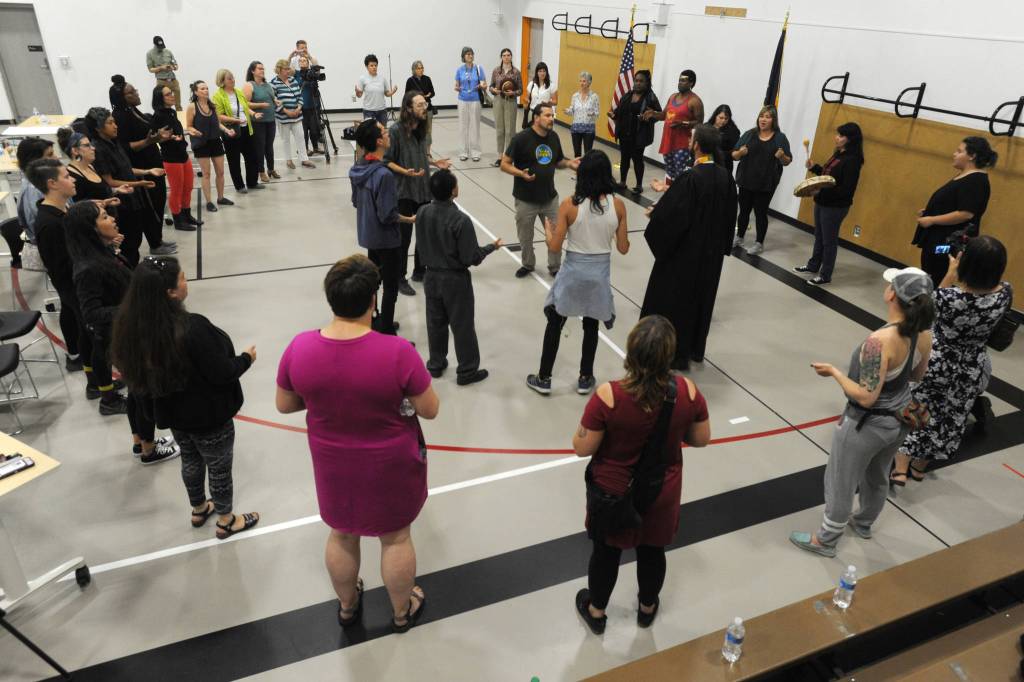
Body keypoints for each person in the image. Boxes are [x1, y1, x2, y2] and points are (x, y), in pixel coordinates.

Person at [276, 254, 439, 633]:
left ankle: (348, 606)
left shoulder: (300, 348)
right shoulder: (398, 352)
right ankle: (401, 612)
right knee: (396, 537)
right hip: (390, 462)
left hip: (332, 462)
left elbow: (285, 403)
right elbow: (429, 409)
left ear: (331, 299)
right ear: (373, 301)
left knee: (342, 532)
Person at [572, 315, 710, 634]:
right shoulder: (687, 393)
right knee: (652, 550)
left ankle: (597, 611)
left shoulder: (609, 396)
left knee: (606, 552)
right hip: (661, 489)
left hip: (614, 492)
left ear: (631, 353)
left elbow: (582, 447)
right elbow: (701, 438)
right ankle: (647, 608)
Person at [111, 257, 260, 539]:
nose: (185, 280)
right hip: (209, 416)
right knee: (219, 467)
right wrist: (245, 359)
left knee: (190, 461)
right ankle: (227, 519)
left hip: (176, 418)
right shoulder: (192, 328)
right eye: (181, 277)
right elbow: (221, 372)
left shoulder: (133, 330)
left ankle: (199, 507)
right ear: (170, 292)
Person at [791, 267, 934, 557]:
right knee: (878, 472)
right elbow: (917, 376)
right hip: (899, 420)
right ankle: (865, 521)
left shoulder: (878, 343)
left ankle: (826, 540)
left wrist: (833, 372)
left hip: (866, 424)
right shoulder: (923, 335)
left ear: (893, 294)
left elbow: (866, 397)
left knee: (841, 479)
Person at [65, 201, 181, 464]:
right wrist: (135, 308)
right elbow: (91, 314)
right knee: (143, 395)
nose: (113, 219)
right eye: (105, 217)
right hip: (125, 339)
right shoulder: (88, 268)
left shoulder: (103, 253)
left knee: (135, 393)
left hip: (130, 333)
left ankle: (140, 442)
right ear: (90, 230)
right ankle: (150, 449)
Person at [892, 237, 1012, 483]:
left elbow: (930, 305)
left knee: (919, 407)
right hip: (970, 365)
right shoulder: (1004, 294)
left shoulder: (950, 297)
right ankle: (919, 467)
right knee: (950, 415)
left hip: (937, 361)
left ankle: (900, 467)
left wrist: (951, 272)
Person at [526, 150, 629, 396]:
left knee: (555, 320)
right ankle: (585, 378)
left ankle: (544, 377)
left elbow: (554, 247)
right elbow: (623, 248)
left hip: (573, 272)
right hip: (599, 275)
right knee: (591, 325)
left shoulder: (569, 205)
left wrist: (549, 231)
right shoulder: (618, 205)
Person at [640, 125, 738, 371]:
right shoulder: (725, 176)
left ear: (696, 145)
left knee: (674, 301)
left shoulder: (692, 177)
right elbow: (729, 216)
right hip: (711, 255)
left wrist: (657, 215)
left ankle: (672, 354)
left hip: (685, 254)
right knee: (701, 300)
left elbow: (675, 216)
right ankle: (694, 348)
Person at [416, 170, 501, 385]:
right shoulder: (460, 220)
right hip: (454, 280)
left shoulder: (422, 212)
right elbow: (470, 258)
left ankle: (436, 363)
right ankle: (467, 370)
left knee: (435, 323)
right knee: (462, 325)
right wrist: (491, 247)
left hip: (431, 277)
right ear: (453, 190)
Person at [349, 120, 417, 335]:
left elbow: (355, 201)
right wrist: (410, 219)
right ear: (378, 141)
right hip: (386, 239)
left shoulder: (357, 168)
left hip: (368, 235)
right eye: (385, 132)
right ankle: (386, 329)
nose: (389, 134)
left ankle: (373, 319)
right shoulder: (384, 175)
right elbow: (388, 215)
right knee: (390, 285)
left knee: (373, 280)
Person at [85, 106, 174, 264]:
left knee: (135, 240)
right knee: (128, 245)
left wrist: (147, 171)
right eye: (110, 123)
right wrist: (139, 183)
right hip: (121, 205)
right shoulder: (99, 149)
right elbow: (110, 181)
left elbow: (126, 168)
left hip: (133, 200)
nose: (115, 125)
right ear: (99, 128)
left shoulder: (114, 142)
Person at [501, 103, 581, 278]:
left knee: (555, 235)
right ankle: (528, 264)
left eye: (552, 116)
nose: (551, 119)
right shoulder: (520, 139)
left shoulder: (553, 137)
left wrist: (568, 163)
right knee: (525, 237)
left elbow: (557, 161)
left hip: (549, 198)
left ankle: (555, 267)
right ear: (536, 118)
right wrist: (520, 174)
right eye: (547, 115)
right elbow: (504, 164)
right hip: (525, 200)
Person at [384, 92, 451, 296]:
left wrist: (433, 162)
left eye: (426, 104)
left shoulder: (423, 129)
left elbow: (421, 155)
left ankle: (420, 271)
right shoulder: (395, 131)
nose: (425, 107)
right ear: (409, 108)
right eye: (421, 105)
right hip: (404, 191)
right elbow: (386, 160)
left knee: (424, 234)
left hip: (423, 189)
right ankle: (399, 277)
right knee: (403, 239)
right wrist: (405, 172)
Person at [26, 159, 87, 372]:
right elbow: (66, 265)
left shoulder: (60, 211)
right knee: (88, 333)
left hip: (76, 285)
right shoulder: (50, 224)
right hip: (75, 286)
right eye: (67, 176)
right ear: (52, 183)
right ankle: (98, 381)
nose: (73, 179)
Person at [912, 136, 996, 287]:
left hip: (947, 242)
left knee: (938, 272)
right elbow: (954, 204)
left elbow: (966, 213)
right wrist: (931, 210)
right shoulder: (965, 176)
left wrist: (932, 219)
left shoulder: (976, 180)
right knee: (931, 269)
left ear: (972, 155)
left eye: (959, 151)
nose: (954, 154)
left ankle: (935, 306)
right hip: (938, 237)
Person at [794, 122, 864, 285]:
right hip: (823, 202)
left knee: (829, 241)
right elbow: (828, 178)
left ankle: (825, 275)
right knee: (819, 236)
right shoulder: (838, 154)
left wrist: (820, 191)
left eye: (841, 135)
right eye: (837, 134)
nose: (836, 138)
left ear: (850, 139)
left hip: (835, 206)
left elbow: (846, 189)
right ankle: (813, 266)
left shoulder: (852, 161)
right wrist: (815, 167)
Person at [109, 76, 173, 248]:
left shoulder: (133, 110)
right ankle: (155, 242)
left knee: (159, 202)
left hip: (152, 161)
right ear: (122, 97)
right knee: (150, 206)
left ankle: (157, 239)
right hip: (141, 166)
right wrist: (149, 141)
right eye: (131, 92)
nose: (136, 94)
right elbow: (126, 146)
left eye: (135, 90)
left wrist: (158, 136)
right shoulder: (120, 116)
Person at [732, 105, 792, 255]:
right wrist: (740, 152)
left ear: (773, 120)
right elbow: (734, 155)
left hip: (766, 183)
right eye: (761, 116)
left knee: (760, 212)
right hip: (746, 179)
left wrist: (782, 156)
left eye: (767, 117)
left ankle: (759, 243)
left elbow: (787, 161)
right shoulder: (749, 134)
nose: (763, 119)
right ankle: (739, 237)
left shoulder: (780, 137)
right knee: (744, 211)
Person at [151, 84, 199, 231]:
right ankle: (178, 219)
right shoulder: (158, 116)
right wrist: (170, 138)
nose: (172, 95)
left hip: (182, 154)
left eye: (171, 93)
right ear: (160, 98)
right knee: (177, 189)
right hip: (171, 157)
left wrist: (183, 134)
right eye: (167, 94)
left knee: (188, 186)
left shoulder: (171, 112)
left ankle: (186, 214)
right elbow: (156, 137)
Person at [644, 69, 703, 182]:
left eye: (684, 80)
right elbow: (664, 115)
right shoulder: (672, 97)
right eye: (679, 80)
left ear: (691, 83)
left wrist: (683, 123)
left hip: (682, 144)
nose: (680, 82)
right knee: (669, 171)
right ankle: (670, 194)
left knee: (680, 173)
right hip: (668, 141)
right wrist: (654, 114)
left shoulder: (695, 101)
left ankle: (680, 196)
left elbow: (699, 122)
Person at [608, 70, 661, 194]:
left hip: (639, 135)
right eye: (636, 80)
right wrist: (614, 115)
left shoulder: (650, 97)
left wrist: (648, 118)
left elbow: (659, 115)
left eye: (641, 81)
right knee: (624, 158)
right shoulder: (627, 95)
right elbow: (619, 110)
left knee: (637, 160)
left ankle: (639, 185)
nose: (638, 83)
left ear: (647, 83)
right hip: (624, 133)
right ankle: (622, 182)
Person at [185, 80, 232, 213]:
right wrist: (194, 131)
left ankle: (221, 197)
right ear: (195, 92)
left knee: (221, 172)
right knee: (206, 174)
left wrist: (227, 130)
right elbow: (188, 126)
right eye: (202, 89)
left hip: (215, 141)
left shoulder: (212, 106)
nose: (205, 91)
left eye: (206, 88)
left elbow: (218, 123)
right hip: (201, 143)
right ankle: (209, 201)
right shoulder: (192, 107)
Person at [212, 69, 261, 193]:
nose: (233, 80)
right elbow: (218, 115)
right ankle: (239, 186)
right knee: (234, 160)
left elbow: (245, 107)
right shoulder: (218, 96)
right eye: (229, 78)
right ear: (222, 81)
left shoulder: (238, 92)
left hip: (246, 129)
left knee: (252, 157)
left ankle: (252, 182)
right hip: (231, 131)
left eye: (233, 77)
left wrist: (254, 114)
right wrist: (234, 120)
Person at [271, 60, 314, 170]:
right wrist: (286, 111)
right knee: (285, 139)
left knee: (300, 137)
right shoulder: (274, 83)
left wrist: (299, 108)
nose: (288, 71)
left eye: (288, 68)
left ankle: (304, 159)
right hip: (283, 117)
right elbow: (273, 101)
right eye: (286, 69)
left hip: (297, 115)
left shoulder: (293, 80)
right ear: (279, 70)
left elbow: (300, 96)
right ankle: (288, 160)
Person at [243, 61, 279, 182]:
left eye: (263, 68)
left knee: (269, 146)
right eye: (259, 69)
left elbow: (273, 99)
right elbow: (245, 104)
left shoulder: (267, 85)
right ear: (253, 71)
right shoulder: (249, 85)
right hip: (257, 122)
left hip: (270, 120)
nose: (262, 70)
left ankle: (271, 169)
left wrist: (276, 101)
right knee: (260, 147)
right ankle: (261, 171)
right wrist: (260, 105)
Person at [15, 136, 55, 244]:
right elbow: (45, 231)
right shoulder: (34, 191)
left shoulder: (43, 182)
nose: (56, 158)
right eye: (50, 155)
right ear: (34, 161)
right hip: (48, 250)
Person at [488, 49, 522, 167]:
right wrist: (493, 90)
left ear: (511, 57)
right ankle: (499, 157)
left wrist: (513, 92)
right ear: (501, 57)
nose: (506, 57)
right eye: (504, 55)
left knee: (510, 131)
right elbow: (491, 86)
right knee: (500, 130)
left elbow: (520, 90)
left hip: (511, 101)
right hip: (498, 101)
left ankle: (509, 158)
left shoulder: (516, 72)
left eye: (508, 55)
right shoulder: (496, 71)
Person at [454, 47, 486, 162]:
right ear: (463, 57)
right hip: (462, 100)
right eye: (467, 54)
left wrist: (481, 86)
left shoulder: (478, 69)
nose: (470, 56)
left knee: (475, 126)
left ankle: (476, 152)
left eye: (471, 54)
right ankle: (463, 151)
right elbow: (456, 86)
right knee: (463, 126)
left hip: (475, 100)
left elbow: (484, 84)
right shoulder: (459, 70)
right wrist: (458, 88)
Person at [565, 72, 600, 158]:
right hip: (576, 128)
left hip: (589, 129)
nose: (581, 83)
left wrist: (593, 113)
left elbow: (597, 113)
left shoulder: (594, 97)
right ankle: (578, 170)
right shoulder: (575, 96)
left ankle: (587, 170)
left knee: (588, 154)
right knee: (577, 153)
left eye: (584, 81)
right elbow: (572, 110)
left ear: (589, 82)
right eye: (580, 81)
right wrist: (567, 111)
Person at [356, 54, 397, 126]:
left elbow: (387, 93)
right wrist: (357, 92)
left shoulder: (382, 78)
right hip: (368, 111)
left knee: (382, 133)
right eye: (371, 65)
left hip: (382, 111)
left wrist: (393, 91)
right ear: (366, 67)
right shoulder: (362, 79)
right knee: (370, 133)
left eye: (375, 65)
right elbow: (359, 95)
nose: (374, 67)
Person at [405, 61, 436, 147]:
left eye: (422, 68)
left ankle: (428, 153)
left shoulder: (427, 79)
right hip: (416, 110)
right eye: (419, 68)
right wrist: (419, 97)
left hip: (427, 108)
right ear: (414, 70)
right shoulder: (410, 81)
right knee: (416, 130)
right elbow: (407, 95)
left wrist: (427, 96)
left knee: (428, 131)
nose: (421, 70)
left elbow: (432, 92)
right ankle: (416, 150)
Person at [145, 36, 180, 111]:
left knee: (178, 105)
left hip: (173, 80)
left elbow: (176, 65)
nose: (161, 48)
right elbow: (150, 69)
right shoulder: (149, 54)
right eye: (159, 46)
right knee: (162, 105)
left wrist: (173, 67)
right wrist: (161, 68)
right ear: (154, 44)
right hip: (161, 81)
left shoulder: (168, 52)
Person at [297, 56, 323, 155]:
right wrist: (292, 55)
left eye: (305, 61)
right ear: (298, 63)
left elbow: (316, 64)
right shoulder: (296, 74)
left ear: (308, 63)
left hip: (313, 106)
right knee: (303, 131)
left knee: (314, 129)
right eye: (301, 61)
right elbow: (287, 65)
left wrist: (308, 55)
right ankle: (305, 149)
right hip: (302, 107)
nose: (303, 62)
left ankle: (316, 147)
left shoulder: (312, 73)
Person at [706, 104, 740, 176]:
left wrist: (717, 155)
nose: (723, 121)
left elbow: (735, 151)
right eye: (721, 118)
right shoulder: (706, 127)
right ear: (715, 116)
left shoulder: (733, 131)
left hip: (724, 165)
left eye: (726, 118)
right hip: (706, 163)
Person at [524, 62, 557, 130]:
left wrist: (547, 103)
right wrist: (526, 101)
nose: (542, 73)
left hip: (545, 114)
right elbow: (527, 98)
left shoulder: (551, 85)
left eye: (544, 71)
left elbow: (555, 101)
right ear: (537, 73)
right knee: (532, 136)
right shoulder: (531, 84)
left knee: (545, 135)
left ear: (546, 72)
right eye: (540, 71)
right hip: (532, 113)